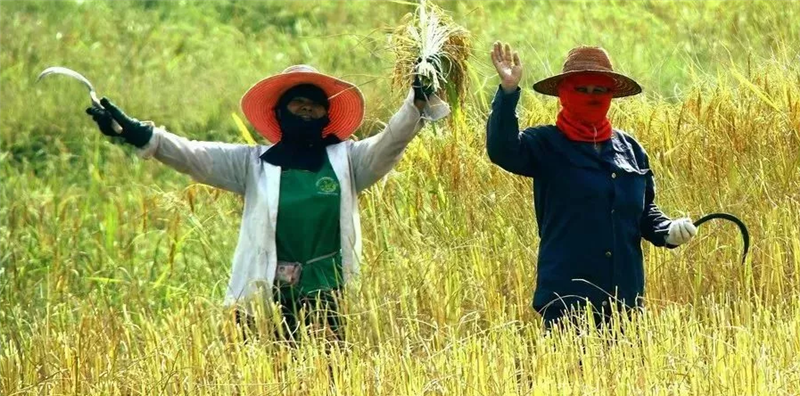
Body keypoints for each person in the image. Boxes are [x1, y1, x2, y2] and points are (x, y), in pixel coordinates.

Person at [86, 64, 446, 342]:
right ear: (280, 113)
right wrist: (139, 134)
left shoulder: (348, 161)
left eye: (314, 105)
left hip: (328, 295)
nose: (306, 109)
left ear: (326, 116)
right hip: (264, 296)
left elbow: (390, 142)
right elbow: (194, 156)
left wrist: (415, 102)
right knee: (269, 383)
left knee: (327, 381)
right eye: (298, 103)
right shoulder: (253, 164)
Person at [486, 42, 698, 329]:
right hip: (568, 303)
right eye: (582, 89)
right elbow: (503, 150)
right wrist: (509, 92)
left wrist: (668, 230)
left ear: (610, 95)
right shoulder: (545, 144)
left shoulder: (630, 149)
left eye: (599, 90)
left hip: (624, 303)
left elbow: (644, 211)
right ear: (564, 94)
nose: (591, 96)